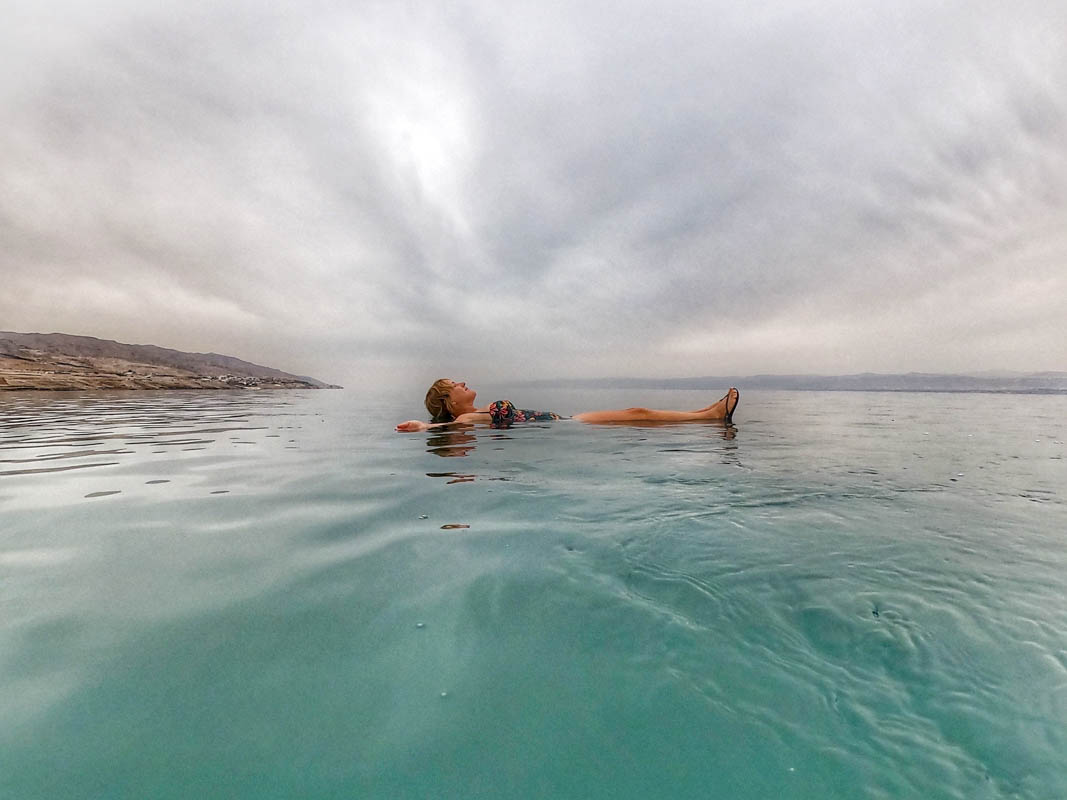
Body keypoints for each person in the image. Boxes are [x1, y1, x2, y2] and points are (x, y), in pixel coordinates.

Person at [394, 379, 739, 432]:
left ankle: (702, 413)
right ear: (449, 402)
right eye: (454, 385)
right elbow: (453, 427)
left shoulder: (477, 411)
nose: (462, 383)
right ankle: (709, 417)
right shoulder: (467, 417)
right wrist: (427, 426)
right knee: (638, 414)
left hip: (563, 421)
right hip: (567, 427)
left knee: (638, 413)